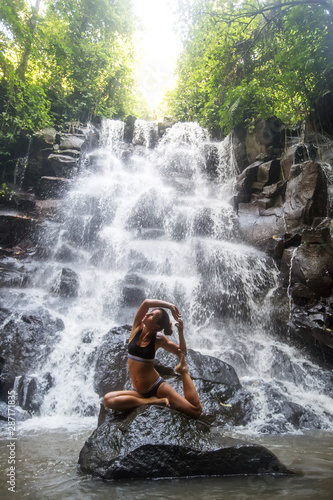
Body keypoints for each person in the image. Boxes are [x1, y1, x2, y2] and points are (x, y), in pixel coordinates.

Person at [103, 299, 202, 419]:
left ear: (157, 326)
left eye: (151, 316)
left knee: (195, 411)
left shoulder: (159, 339)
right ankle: (150, 401)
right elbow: (146, 303)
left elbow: (182, 352)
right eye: (150, 313)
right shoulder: (136, 329)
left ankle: (183, 370)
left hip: (156, 387)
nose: (147, 314)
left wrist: (180, 332)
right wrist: (170, 306)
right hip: (139, 392)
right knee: (107, 400)